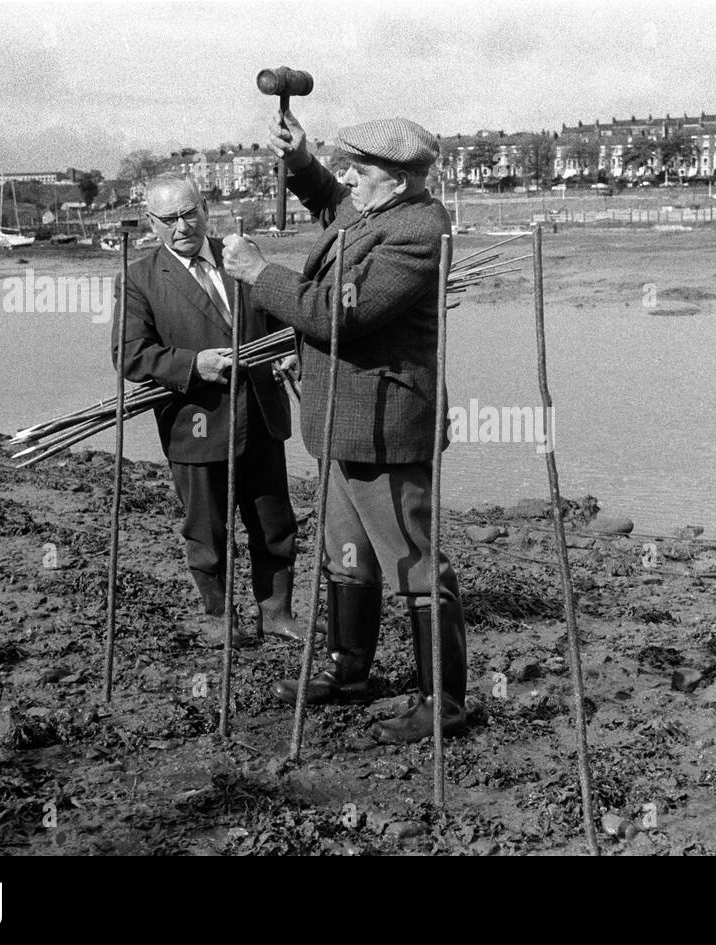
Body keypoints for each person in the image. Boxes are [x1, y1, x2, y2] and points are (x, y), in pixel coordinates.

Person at [222, 113, 467, 744]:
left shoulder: (418, 231)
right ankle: (348, 670)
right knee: (345, 554)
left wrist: (259, 274)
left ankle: (443, 702)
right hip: (340, 423)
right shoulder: (376, 208)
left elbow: (338, 315)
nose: (350, 180)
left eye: (361, 170)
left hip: (385, 426)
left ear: (398, 179)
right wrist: (302, 161)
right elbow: (335, 203)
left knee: (413, 560)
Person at [113, 175, 298, 646]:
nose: (182, 227)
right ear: (152, 223)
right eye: (169, 219)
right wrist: (193, 364)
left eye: (190, 213)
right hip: (195, 423)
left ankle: (276, 614)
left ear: (206, 209)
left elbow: (278, 315)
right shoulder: (139, 278)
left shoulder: (241, 256)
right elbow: (130, 354)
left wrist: (290, 351)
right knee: (207, 533)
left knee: (274, 525)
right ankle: (221, 621)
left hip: (260, 414)